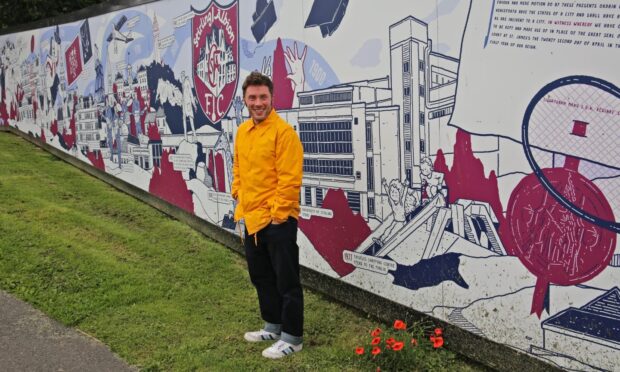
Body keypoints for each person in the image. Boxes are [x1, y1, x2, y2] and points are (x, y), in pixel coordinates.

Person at [232, 71, 304, 359]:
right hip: (250, 219)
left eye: (263, 97)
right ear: (245, 100)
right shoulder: (242, 132)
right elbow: (238, 167)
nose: (258, 102)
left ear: (272, 98)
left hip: (278, 221)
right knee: (261, 277)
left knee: (287, 281)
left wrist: (278, 215)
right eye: (253, 97)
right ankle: (272, 325)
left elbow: (290, 179)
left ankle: (292, 337)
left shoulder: (283, 133)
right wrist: (237, 193)